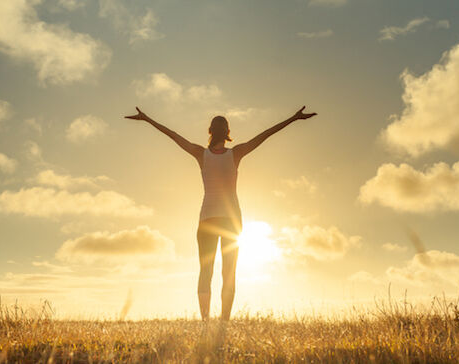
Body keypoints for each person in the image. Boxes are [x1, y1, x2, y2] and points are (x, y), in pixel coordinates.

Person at [125, 106, 317, 320]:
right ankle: (224, 321)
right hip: (231, 221)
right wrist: (293, 118)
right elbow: (265, 135)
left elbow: (173, 136)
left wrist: (148, 118)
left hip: (207, 219)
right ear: (227, 133)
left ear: (210, 131)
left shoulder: (202, 154)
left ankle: (206, 322)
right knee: (228, 273)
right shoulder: (235, 153)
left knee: (206, 271)